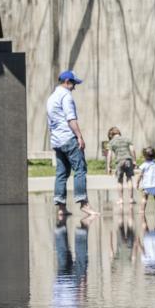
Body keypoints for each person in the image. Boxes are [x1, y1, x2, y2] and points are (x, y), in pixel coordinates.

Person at [47, 70, 98, 217]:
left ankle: (61, 208)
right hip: (68, 138)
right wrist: (79, 137)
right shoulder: (66, 96)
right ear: (67, 81)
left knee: (61, 173)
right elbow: (71, 119)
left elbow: (50, 122)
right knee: (80, 169)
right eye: (74, 83)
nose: (74, 87)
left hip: (57, 140)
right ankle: (84, 203)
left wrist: (55, 138)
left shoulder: (51, 98)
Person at [106, 127, 136, 206]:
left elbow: (109, 155)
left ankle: (121, 199)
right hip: (128, 161)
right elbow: (132, 150)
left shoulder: (111, 142)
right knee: (129, 179)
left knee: (120, 181)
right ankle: (131, 199)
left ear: (111, 135)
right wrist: (134, 160)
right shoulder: (126, 139)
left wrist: (108, 166)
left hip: (119, 162)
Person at [136, 146, 155, 214]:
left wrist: (137, 183)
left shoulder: (144, 165)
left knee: (144, 199)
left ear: (145, 156)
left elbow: (140, 175)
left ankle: (142, 211)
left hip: (146, 186)